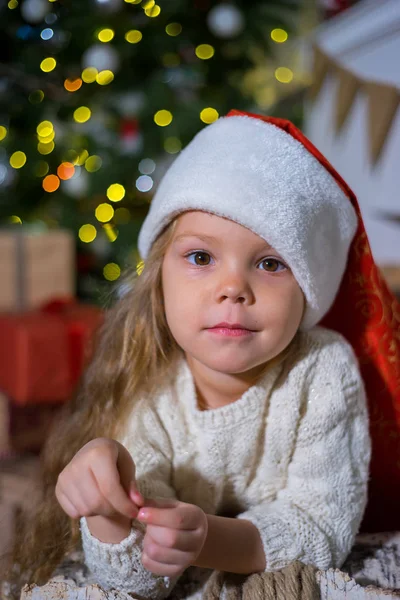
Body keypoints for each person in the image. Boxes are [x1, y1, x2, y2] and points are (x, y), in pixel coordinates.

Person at [5, 110, 398, 600]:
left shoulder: (322, 369)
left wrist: (208, 539)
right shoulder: (147, 376)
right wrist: (109, 513)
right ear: (160, 277)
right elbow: (135, 582)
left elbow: (319, 527)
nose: (233, 287)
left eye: (271, 263)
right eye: (201, 257)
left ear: (308, 291)